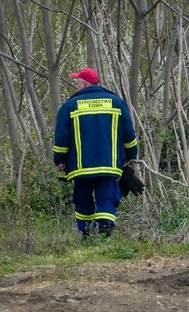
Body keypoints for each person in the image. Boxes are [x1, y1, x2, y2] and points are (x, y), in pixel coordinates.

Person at [53, 67, 138, 239]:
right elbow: (129, 134)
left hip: (81, 167)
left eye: (77, 81)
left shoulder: (69, 106)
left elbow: (62, 138)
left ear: (84, 83)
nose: (77, 84)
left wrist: (59, 160)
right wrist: (131, 157)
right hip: (110, 164)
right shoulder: (117, 103)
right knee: (107, 198)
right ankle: (105, 232)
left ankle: (85, 234)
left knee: (82, 198)